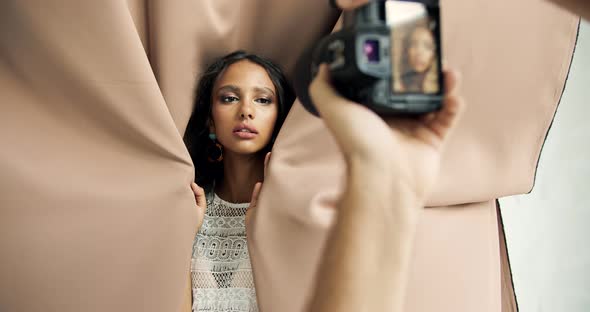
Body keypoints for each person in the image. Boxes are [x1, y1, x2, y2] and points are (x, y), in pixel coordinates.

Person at [183, 51, 294, 312]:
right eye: (230, 98)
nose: (246, 111)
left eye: (263, 100)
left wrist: (261, 236)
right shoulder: (191, 206)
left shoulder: (294, 209)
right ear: (210, 119)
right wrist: (185, 233)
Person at [398, 23, 439, 93]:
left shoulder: (435, 88)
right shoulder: (397, 86)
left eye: (427, 46)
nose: (419, 52)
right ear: (406, 50)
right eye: (413, 44)